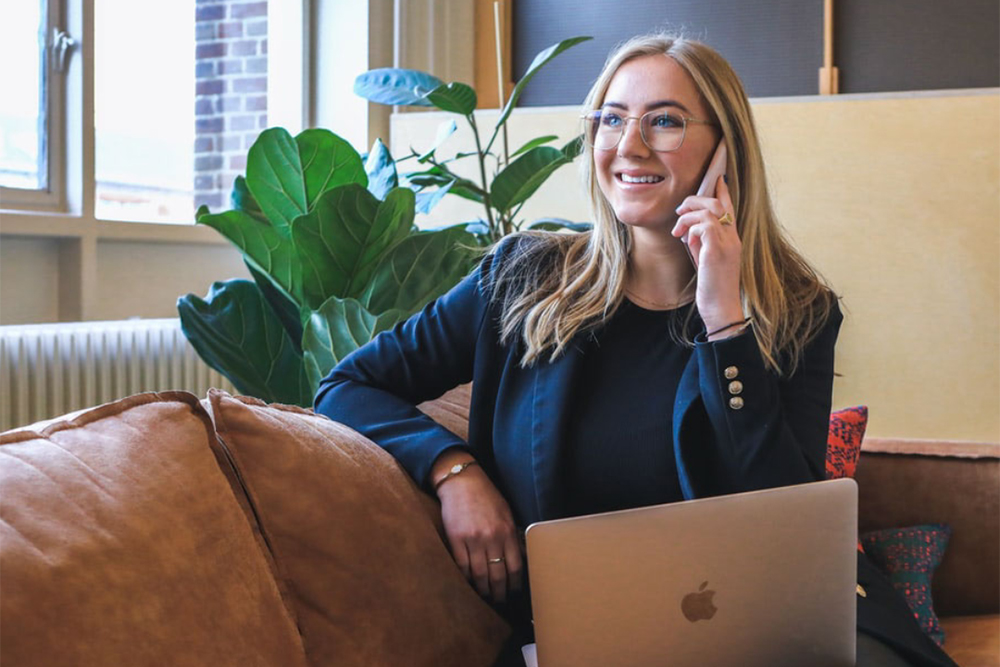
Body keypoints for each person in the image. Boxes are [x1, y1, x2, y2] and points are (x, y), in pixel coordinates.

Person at [315, 33, 956, 667]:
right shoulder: (521, 278)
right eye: (611, 119)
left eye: (665, 122)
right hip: (592, 635)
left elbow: (786, 518)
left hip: (775, 630)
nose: (629, 145)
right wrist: (454, 470)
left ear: (725, 150)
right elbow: (346, 386)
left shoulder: (797, 312)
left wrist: (724, 322)